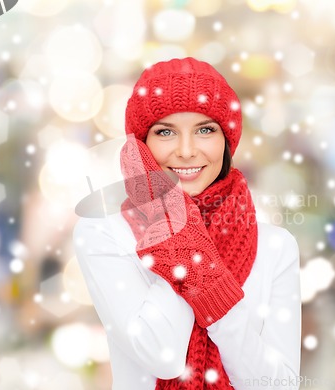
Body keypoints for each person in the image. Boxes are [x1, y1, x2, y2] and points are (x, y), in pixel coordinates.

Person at [73, 57, 301, 389]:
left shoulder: (275, 245)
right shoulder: (103, 234)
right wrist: (178, 237)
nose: (186, 150)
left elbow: (278, 385)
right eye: (165, 131)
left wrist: (208, 282)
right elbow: (162, 355)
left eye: (205, 130)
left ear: (226, 141)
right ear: (141, 145)